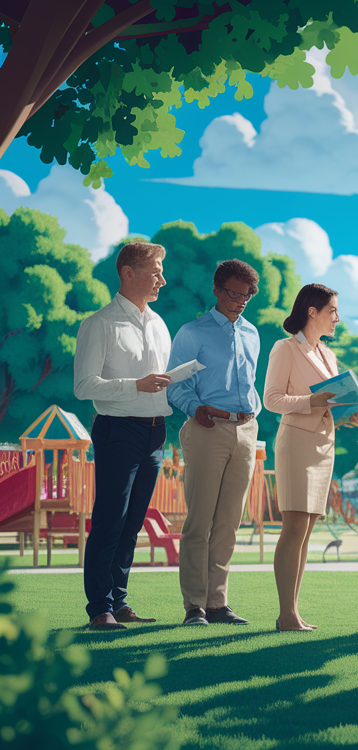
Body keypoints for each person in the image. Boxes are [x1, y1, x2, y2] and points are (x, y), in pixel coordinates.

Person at [73, 241, 172, 630]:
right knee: (111, 519)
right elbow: (84, 386)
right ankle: (99, 606)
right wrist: (136, 385)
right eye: (155, 271)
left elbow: (158, 382)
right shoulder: (99, 324)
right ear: (128, 273)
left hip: (155, 432)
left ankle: (118, 599)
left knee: (133, 523)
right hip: (118, 430)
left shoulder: (160, 324)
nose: (162, 280)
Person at [167, 259, 262, 627]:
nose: (239, 301)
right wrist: (195, 408)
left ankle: (218, 603)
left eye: (246, 296)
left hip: (246, 431)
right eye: (233, 293)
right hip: (208, 428)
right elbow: (176, 384)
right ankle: (195, 606)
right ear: (217, 289)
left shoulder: (253, 333)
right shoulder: (193, 333)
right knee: (200, 521)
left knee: (228, 523)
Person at [264, 283, 358, 631]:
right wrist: (312, 401)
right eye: (333, 311)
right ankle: (285, 614)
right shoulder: (285, 348)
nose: (337, 318)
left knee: (305, 531)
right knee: (293, 529)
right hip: (296, 443)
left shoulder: (328, 354)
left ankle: (293, 611)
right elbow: (272, 400)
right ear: (312, 312)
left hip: (323, 446)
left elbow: (330, 400)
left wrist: (348, 414)